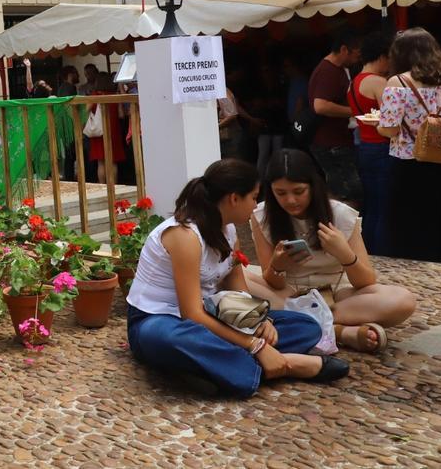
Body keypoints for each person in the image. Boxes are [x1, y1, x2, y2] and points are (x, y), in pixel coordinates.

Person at [126, 159, 349, 398]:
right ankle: (285, 364)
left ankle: (218, 368)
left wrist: (260, 321)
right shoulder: (185, 236)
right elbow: (190, 314)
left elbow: (238, 294)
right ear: (234, 198)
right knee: (170, 338)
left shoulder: (228, 231)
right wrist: (255, 344)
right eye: (253, 197)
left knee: (305, 327)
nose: (255, 205)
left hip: (211, 317)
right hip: (159, 321)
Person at [245, 149, 416, 353]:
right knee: (234, 277)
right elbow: (272, 281)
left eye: (298, 191)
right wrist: (277, 267)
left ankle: (303, 321)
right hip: (288, 291)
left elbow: (366, 281)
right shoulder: (262, 216)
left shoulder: (340, 214)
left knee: (403, 300)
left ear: (313, 186)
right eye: (280, 193)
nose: (290, 200)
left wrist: (344, 254)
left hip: (338, 294)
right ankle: (339, 331)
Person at [377, 28, 441, 266]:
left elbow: (389, 129)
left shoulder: (398, 82)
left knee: (412, 224)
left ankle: (418, 271)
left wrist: (381, 126)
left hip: (410, 165)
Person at [348, 32, 393, 253]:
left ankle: (369, 250)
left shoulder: (354, 81)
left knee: (372, 205)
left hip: (364, 146)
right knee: (384, 206)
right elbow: (392, 119)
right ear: (382, 56)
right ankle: (382, 251)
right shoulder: (378, 81)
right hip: (382, 146)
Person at [308, 30, 363, 204]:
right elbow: (320, 105)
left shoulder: (338, 69)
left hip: (335, 139)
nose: (358, 58)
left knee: (345, 186)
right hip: (330, 142)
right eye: (356, 53)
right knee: (348, 189)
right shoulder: (328, 71)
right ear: (344, 49)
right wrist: (354, 111)